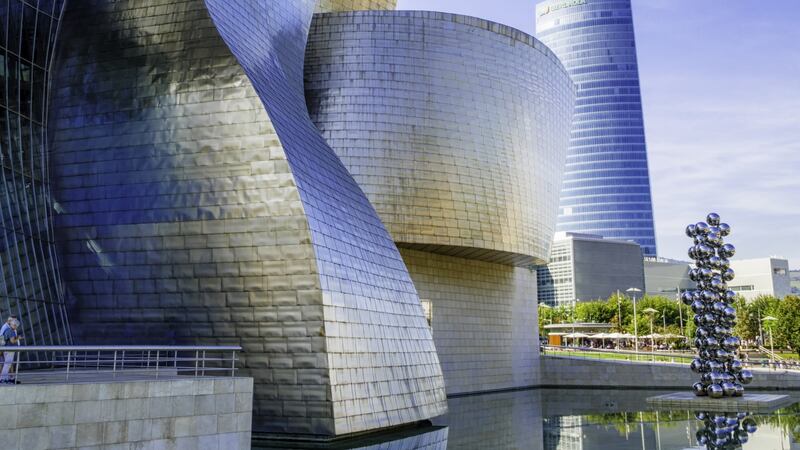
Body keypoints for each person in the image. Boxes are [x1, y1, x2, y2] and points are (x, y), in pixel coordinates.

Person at [1, 319, 21, 384]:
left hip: (5, 349)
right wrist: (18, 338)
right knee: (7, 365)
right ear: (13, 325)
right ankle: (2, 379)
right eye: (16, 325)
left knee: (7, 365)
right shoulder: (11, 331)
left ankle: (6, 378)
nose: (16, 327)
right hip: (9, 350)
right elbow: (12, 341)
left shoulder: (7, 330)